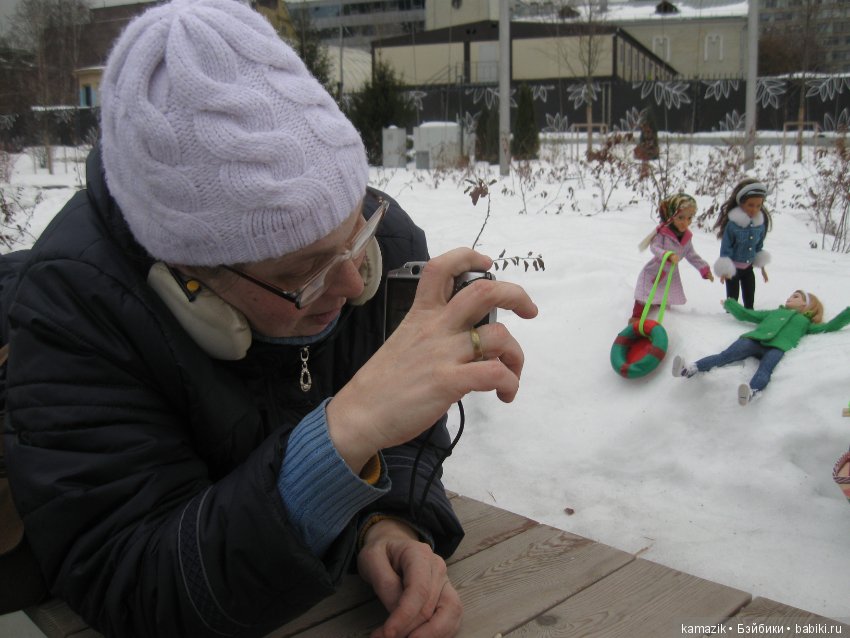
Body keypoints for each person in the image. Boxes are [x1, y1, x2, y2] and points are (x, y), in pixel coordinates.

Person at [0, 1, 538, 636]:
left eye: (355, 231)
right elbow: (132, 581)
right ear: (185, 281)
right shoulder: (75, 311)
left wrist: (384, 522)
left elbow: (409, 425)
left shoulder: (381, 245)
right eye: (300, 274)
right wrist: (342, 434)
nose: (351, 281)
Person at [672, 290, 850, 405]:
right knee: (725, 356)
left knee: (765, 370)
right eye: (789, 295)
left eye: (796, 296)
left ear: (807, 305)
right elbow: (748, 314)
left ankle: (751, 391)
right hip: (754, 340)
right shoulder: (775, 312)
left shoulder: (805, 322)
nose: (789, 297)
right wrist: (730, 304)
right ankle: (690, 369)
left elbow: (830, 327)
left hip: (777, 348)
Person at [631, 193, 714, 320]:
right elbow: (655, 247)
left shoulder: (686, 238)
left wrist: (704, 269)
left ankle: (661, 321)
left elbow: (692, 255)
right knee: (645, 294)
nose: (685, 223)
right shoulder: (663, 233)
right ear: (671, 216)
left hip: (670, 275)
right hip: (655, 271)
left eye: (689, 218)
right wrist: (667, 255)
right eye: (681, 217)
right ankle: (636, 319)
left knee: (664, 298)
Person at [713, 179, 772, 309]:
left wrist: (762, 268)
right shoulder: (733, 226)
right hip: (733, 269)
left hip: (748, 268)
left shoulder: (759, 225)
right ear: (741, 204)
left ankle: (749, 311)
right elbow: (726, 247)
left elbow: (758, 246)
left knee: (749, 294)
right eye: (750, 205)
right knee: (732, 297)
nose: (754, 209)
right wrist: (724, 269)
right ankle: (731, 312)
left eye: (758, 206)